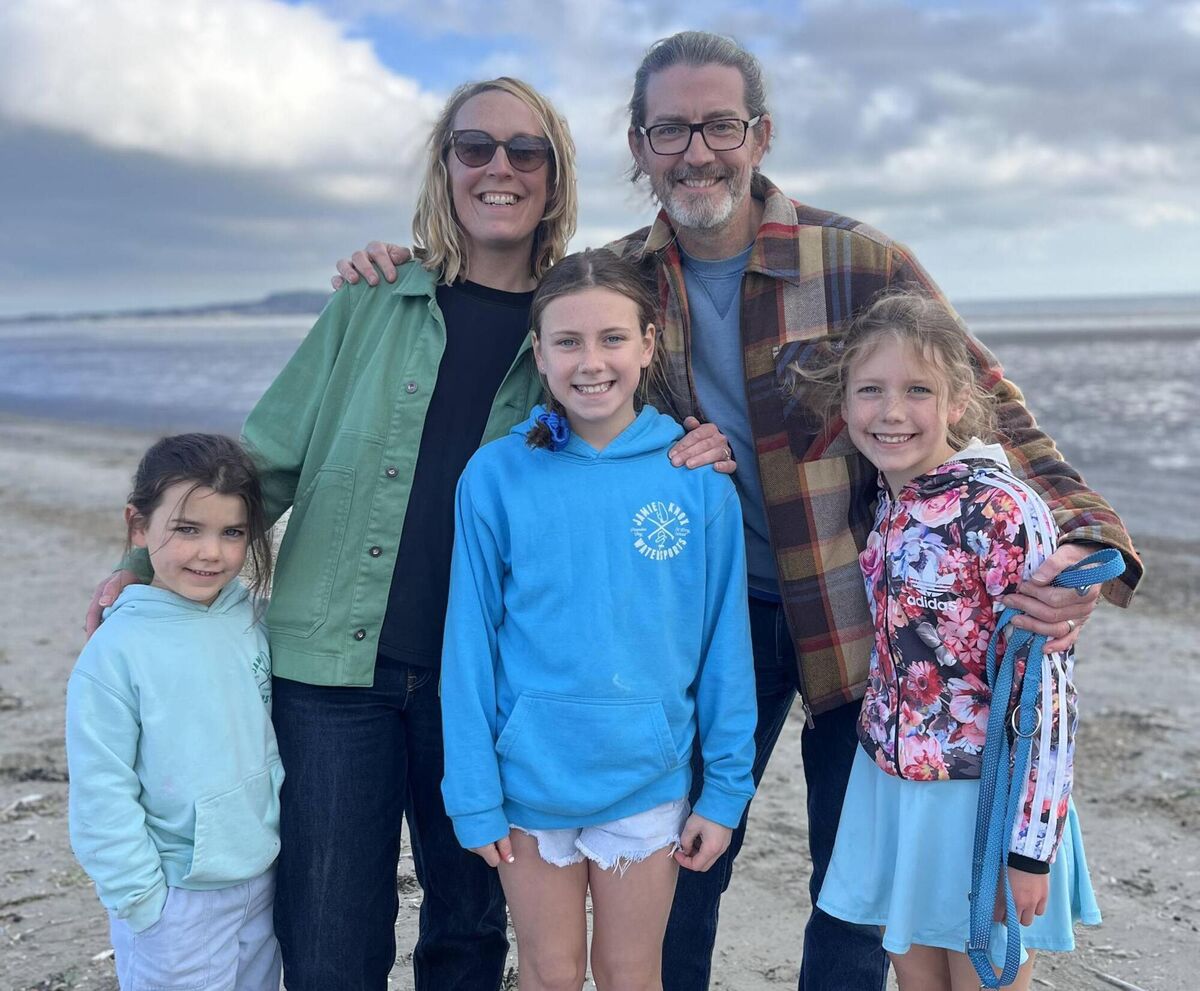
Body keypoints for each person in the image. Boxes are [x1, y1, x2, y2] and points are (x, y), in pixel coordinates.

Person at [334, 31, 1141, 991]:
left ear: (760, 134)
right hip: (712, 612)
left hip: (852, 609)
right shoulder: (625, 279)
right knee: (687, 859)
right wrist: (406, 265)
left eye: (719, 126)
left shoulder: (858, 260)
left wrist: (1091, 541)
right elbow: (532, 334)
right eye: (669, 131)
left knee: (852, 886)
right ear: (638, 146)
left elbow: (987, 401)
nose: (696, 152)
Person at [85, 76, 731, 991]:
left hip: (485, 688)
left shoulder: (567, 323)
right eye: (475, 147)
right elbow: (261, 462)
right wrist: (144, 563)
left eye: (526, 150)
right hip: (332, 674)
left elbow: (626, 436)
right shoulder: (373, 298)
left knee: (467, 932)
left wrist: (702, 444)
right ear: (445, 166)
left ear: (554, 174)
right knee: (329, 937)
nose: (500, 167)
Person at [441, 247, 757, 991]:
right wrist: (473, 793)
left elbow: (724, 648)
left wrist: (726, 791)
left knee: (628, 972)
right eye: (568, 341)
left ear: (647, 345)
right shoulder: (495, 475)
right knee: (550, 973)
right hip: (528, 782)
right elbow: (468, 645)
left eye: (612, 338)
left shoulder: (696, 481)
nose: (591, 362)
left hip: (647, 779)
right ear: (539, 354)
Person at [804, 291, 1101, 990]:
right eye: (870, 390)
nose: (892, 411)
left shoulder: (1001, 509)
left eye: (918, 390)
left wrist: (1028, 849)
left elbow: (1047, 688)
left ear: (958, 401)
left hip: (984, 800)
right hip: (893, 791)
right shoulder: (886, 498)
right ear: (844, 404)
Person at [67, 433, 282, 991]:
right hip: (175, 899)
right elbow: (101, 791)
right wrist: (143, 902)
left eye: (232, 533)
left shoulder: (252, 619)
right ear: (138, 527)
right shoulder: (116, 651)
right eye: (187, 530)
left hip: (262, 879)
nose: (211, 552)